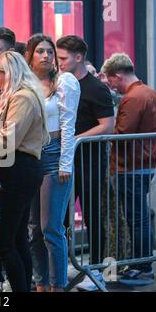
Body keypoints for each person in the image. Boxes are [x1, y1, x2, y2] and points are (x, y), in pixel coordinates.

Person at [0, 51, 50, 292]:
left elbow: (7, 142)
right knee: (16, 239)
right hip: (18, 168)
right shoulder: (22, 95)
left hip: (18, 170)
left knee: (5, 242)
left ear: (9, 73)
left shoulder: (23, 98)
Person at [56, 35, 115, 291]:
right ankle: (66, 265)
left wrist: (75, 139)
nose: (58, 63)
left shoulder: (95, 88)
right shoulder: (61, 84)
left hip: (89, 161)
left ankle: (98, 271)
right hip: (66, 162)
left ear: (78, 57)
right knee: (62, 218)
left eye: (63, 58)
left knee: (92, 215)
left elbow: (108, 126)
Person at [102, 53, 156, 286]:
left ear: (118, 76)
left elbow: (122, 134)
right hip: (144, 164)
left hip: (131, 166)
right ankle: (142, 266)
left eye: (111, 80)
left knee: (137, 219)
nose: (111, 85)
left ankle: (143, 268)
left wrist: (105, 133)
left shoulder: (133, 98)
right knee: (140, 217)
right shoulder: (149, 92)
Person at [26, 34, 80, 292]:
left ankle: (58, 285)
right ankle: (41, 283)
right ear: (31, 55)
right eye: (40, 51)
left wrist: (65, 163)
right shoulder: (25, 83)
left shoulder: (65, 81)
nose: (46, 55)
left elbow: (69, 126)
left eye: (50, 51)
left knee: (51, 227)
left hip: (54, 151)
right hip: (30, 152)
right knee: (33, 228)